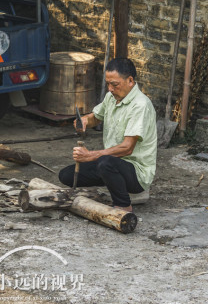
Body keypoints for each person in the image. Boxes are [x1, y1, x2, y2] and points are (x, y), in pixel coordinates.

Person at [58, 58, 157, 212]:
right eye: (108, 84)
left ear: (130, 81)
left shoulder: (140, 105)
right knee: (66, 175)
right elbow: (96, 117)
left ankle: (124, 205)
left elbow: (127, 148)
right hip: (112, 164)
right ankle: (115, 184)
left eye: (115, 84)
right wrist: (84, 121)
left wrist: (91, 155)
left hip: (136, 174)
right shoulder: (111, 97)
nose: (110, 88)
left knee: (105, 162)